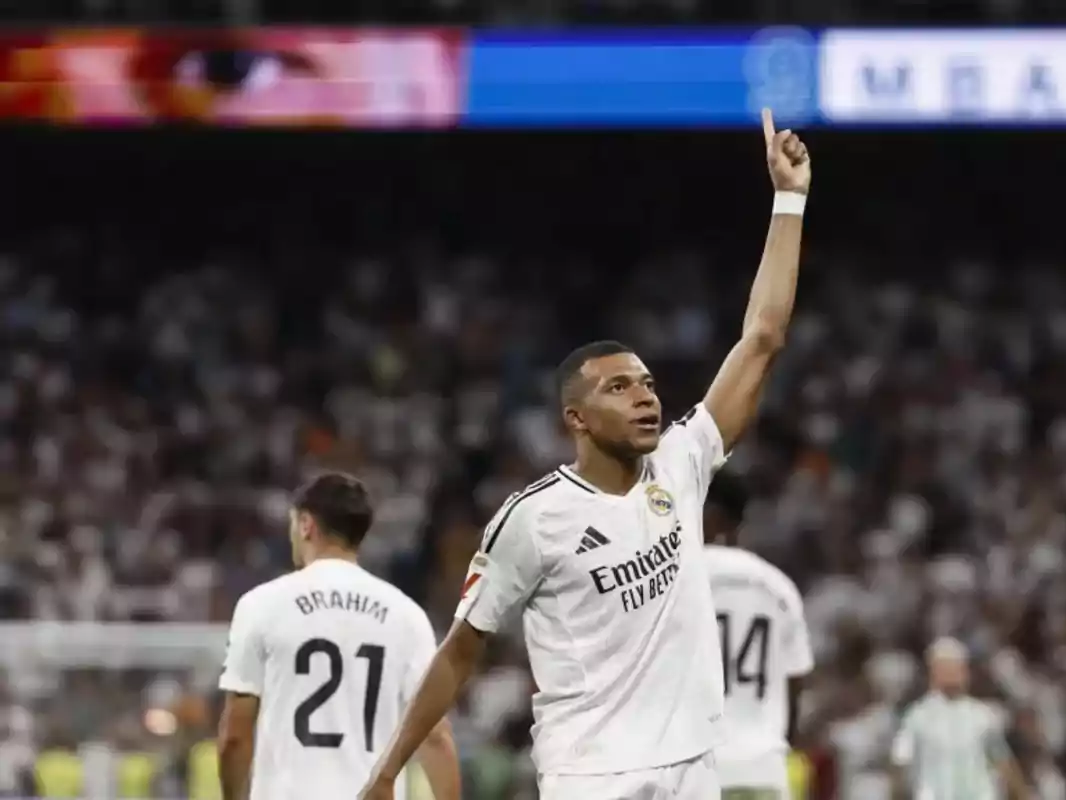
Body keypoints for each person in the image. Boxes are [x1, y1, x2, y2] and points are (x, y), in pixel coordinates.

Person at [359, 108, 811, 800]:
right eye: (619, 387)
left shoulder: (680, 465)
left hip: (693, 765)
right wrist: (388, 770)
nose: (645, 397)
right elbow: (461, 652)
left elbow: (762, 338)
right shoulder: (533, 519)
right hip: (591, 775)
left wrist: (789, 200)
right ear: (575, 417)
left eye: (649, 384)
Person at [216, 472, 461, 800]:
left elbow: (235, 734)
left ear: (305, 524)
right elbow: (435, 735)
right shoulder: (407, 616)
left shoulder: (261, 605)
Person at [705, 531, 813, 800]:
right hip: (765, 768)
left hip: (698, 770)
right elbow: (796, 682)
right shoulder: (778, 585)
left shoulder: (676, 576)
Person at [889, 638, 1030, 800]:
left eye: (957, 667)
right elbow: (899, 764)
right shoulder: (916, 717)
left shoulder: (983, 715)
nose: (953, 674)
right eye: (946, 668)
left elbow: (1004, 762)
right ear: (933, 672)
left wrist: (1022, 795)